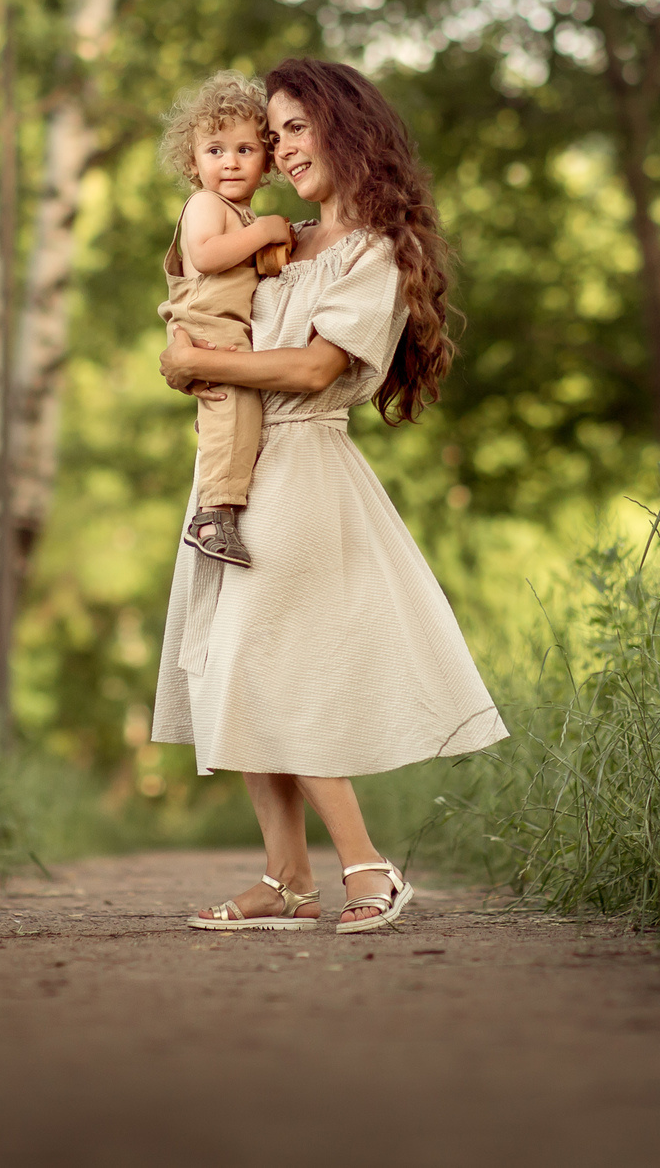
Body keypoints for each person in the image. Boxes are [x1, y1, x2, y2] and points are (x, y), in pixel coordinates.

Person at [155, 57, 506, 934]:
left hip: (302, 469)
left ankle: (367, 864)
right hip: (234, 467)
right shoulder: (277, 240)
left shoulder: (373, 251)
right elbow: (213, 306)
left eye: (297, 127)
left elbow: (316, 367)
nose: (281, 147)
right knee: (233, 663)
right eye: (273, 134)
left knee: (275, 664)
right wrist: (193, 352)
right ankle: (286, 878)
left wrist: (203, 362)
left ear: (346, 132)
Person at [156, 72, 294, 570]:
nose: (230, 162)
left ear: (268, 160)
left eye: (245, 149)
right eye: (215, 151)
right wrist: (268, 231)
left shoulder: (241, 214)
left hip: (226, 327)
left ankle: (221, 507)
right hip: (207, 322)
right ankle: (212, 516)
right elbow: (208, 256)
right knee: (232, 409)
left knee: (235, 415)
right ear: (193, 162)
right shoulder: (206, 204)